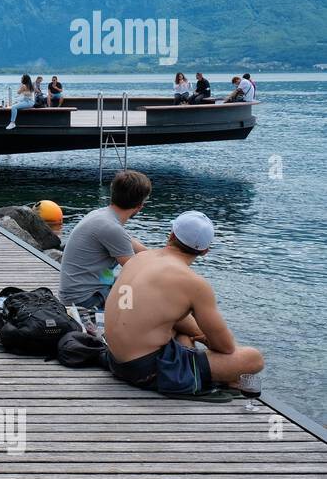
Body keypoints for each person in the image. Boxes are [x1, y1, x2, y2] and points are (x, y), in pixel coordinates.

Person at [105, 211, 264, 395]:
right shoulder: (194, 284)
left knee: (181, 328)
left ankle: (197, 364)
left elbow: (130, 306)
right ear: (205, 251)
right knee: (253, 358)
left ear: (171, 234)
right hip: (147, 371)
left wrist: (197, 333)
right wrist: (206, 338)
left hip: (115, 359)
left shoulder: (139, 258)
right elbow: (225, 347)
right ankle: (219, 377)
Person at [57, 169, 150, 311]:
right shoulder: (111, 228)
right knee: (148, 291)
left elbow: (141, 251)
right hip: (85, 300)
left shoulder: (101, 215)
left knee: (132, 284)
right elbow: (136, 270)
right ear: (140, 206)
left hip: (79, 292)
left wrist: (166, 258)